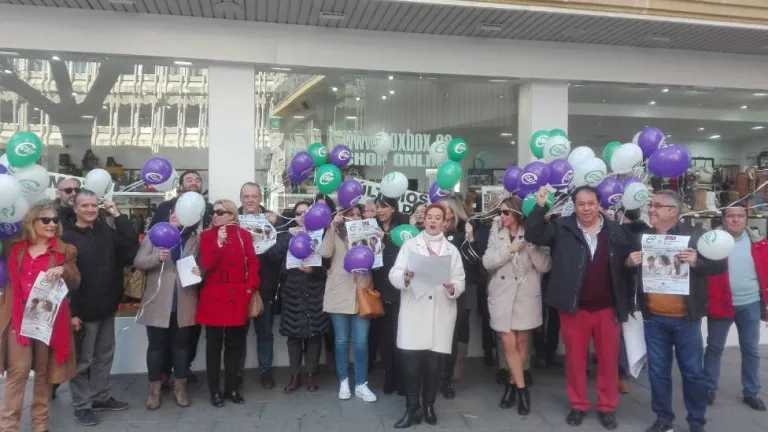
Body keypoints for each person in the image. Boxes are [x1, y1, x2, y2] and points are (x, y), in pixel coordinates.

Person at [525, 185, 635, 430]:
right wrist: (540, 207)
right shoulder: (561, 227)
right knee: (575, 360)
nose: (586, 208)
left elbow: (628, 263)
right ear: (573, 206)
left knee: (608, 361)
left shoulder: (616, 231)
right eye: (581, 204)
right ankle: (578, 405)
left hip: (607, 308)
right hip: (574, 308)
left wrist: (629, 264)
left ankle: (607, 407)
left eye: (591, 203)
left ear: (599, 205)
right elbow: (532, 235)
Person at [626, 190, 727, 432]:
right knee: (658, 373)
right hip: (654, 318)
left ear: (673, 211)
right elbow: (627, 267)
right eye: (651, 205)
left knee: (692, 373)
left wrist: (697, 262)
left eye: (657, 205)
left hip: (686, 320)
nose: (651, 209)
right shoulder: (642, 237)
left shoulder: (695, 236)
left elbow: (720, 265)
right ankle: (663, 419)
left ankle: (696, 422)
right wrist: (629, 263)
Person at [0, 201, 81, 432]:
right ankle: (8, 426)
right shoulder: (14, 248)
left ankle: (40, 424)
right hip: (17, 317)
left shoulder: (66, 250)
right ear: (31, 222)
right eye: (46, 220)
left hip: (47, 320)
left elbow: (76, 281)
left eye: (55, 220)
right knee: (18, 371)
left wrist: (63, 270)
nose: (52, 224)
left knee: (44, 374)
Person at [62, 190, 138, 426]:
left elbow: (129, 241)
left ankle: (100, 397)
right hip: (83, 311)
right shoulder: (67, 237)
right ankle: (82, 406)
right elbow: (66, 280)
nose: (90, 210)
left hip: (107, 306)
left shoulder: (104, 230)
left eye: (94, 205)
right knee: (82, 362)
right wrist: (72, 313)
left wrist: (117, 214)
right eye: (85, 205)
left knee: (104, 357)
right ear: (75, 208)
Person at [388, 204, 465, 428]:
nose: (433, 221)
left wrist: (452, 287)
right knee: (411, 364)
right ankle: (412, 408)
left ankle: (429, 404)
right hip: (414, 311)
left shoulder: (451, 250)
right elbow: (394, 274)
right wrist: (406, 276)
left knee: (434, 365)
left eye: (438, 218)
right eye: (429, 217)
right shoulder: (410, 245)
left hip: (440, 312)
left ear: (445, 223)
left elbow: (460, 279)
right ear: (423, 220)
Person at [483, 196, 551, 415]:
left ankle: (512, 387)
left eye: (506, 212)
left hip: (525, 295)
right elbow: (487, 262)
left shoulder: (532, 232)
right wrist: (509, 250)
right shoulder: (496, 232)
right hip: (502, 295)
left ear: (517, 213)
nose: (501, 216)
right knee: (507, 343)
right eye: (499, 212)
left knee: (522, 344)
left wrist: (530, 247)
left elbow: (546, 266)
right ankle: (522, 391)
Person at [148, 170, 212, 389]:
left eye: (197, 180)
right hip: (168, 278)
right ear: (181, 184)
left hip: (196, 279)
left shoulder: (208, 209)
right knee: (165, 330)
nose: (194, 182)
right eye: (189, 179)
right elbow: (153, 236)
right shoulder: (166, 208)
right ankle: (164, 372)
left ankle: (184, 368)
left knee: (190, 331)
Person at [134, 210, 202, 410]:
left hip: (184, 299)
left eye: (180, 212)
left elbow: (204, 266)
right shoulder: (154, 235)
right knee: (156, 346)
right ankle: (154, 391)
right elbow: (139, 262)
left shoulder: (195, 239)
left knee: (181, 347)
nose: (174, 214)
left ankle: (180, 389)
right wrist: (157, 257)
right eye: (172, 211)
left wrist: (201, 272)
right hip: (158, 300)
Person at [196, 199, 260, 408]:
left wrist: (250, 287)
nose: (215, 215)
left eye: (220, 212)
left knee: (234, 345)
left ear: (232, 215)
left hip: (237, 297)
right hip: (214, 298)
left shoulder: (244, 235)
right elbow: (206, 264)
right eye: (213, 212)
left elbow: (253, 262)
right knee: (213, 346)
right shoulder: (207, 236)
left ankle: (232, 388)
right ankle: (214, 390)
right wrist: (218, 243)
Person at [703, 205, 767, 411]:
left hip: (750, 303)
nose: (736, 220)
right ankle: (708, 389)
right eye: (731, 216)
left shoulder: (758, 242)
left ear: (747, 219)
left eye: (741, 216)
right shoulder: (712, 243)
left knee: (751, 350)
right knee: (714, 348)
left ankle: (751, 392)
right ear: (724, 219)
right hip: (720, 302)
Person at [319, 204, 377, 402]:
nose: (354, 217)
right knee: (341, 340)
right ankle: (343, 380)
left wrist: (379, 240)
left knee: (361, 341)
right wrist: (331, 227)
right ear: (342, 216)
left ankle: (362, 384)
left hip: (362, 292)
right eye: (350, 214)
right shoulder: (335, 232)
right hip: (339, 291)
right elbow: (325, 253)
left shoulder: (369, 232)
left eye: (358, 214)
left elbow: (377, 261)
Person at [276, 201, 330, 393]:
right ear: (294, 216)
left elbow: (329, 268)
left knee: (314, 335)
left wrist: (314, 271)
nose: (303, 216)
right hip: (292, 293)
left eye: (307, 212)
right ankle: (295, 375)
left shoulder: (322, 235)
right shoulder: (286, 234)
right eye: (299, 213)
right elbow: (274, 255)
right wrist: (288, 238)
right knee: (294, 337)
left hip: (315, 292)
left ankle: (312, 374)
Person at [237, 182, 281, 390]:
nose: (250, 200)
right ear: (241, 198)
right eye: (246, 196)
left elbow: (280, 253)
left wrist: (274, 228)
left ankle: (265, 371)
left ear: (260, 198)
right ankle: (236, 372)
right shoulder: (232, 219)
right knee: (238, 334)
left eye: (254, 196)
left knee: (265, 333)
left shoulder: (272, 219)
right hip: (238, 287)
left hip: (265, 285)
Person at [438, 197, 479, 399]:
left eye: (444, 210)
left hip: (454, 295)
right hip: (431, 294)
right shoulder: (428, 234)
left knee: (450, 340)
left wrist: (470, 240)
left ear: (453, 214)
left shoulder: (461, 236)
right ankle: (432, 377)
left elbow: (474, 262)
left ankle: (446, 380)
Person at [370, 194, 410, 395]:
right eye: (377, 207)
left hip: (402, 289)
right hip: (380, 288)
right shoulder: (371, 227)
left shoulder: (404, 227)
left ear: (393, 208)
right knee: (385, 337)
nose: (380, 210)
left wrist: (387, 237)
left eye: (384, 206)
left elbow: (410, 251)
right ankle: (389, 375)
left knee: (401, 335)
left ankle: (402, 378)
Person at [614, 207, 649, 395]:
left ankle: (622, 374)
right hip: (636, 290)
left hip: (630, 288)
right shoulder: (646, 232)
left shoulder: (626, 233)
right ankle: (626, 371)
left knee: (624, 333)